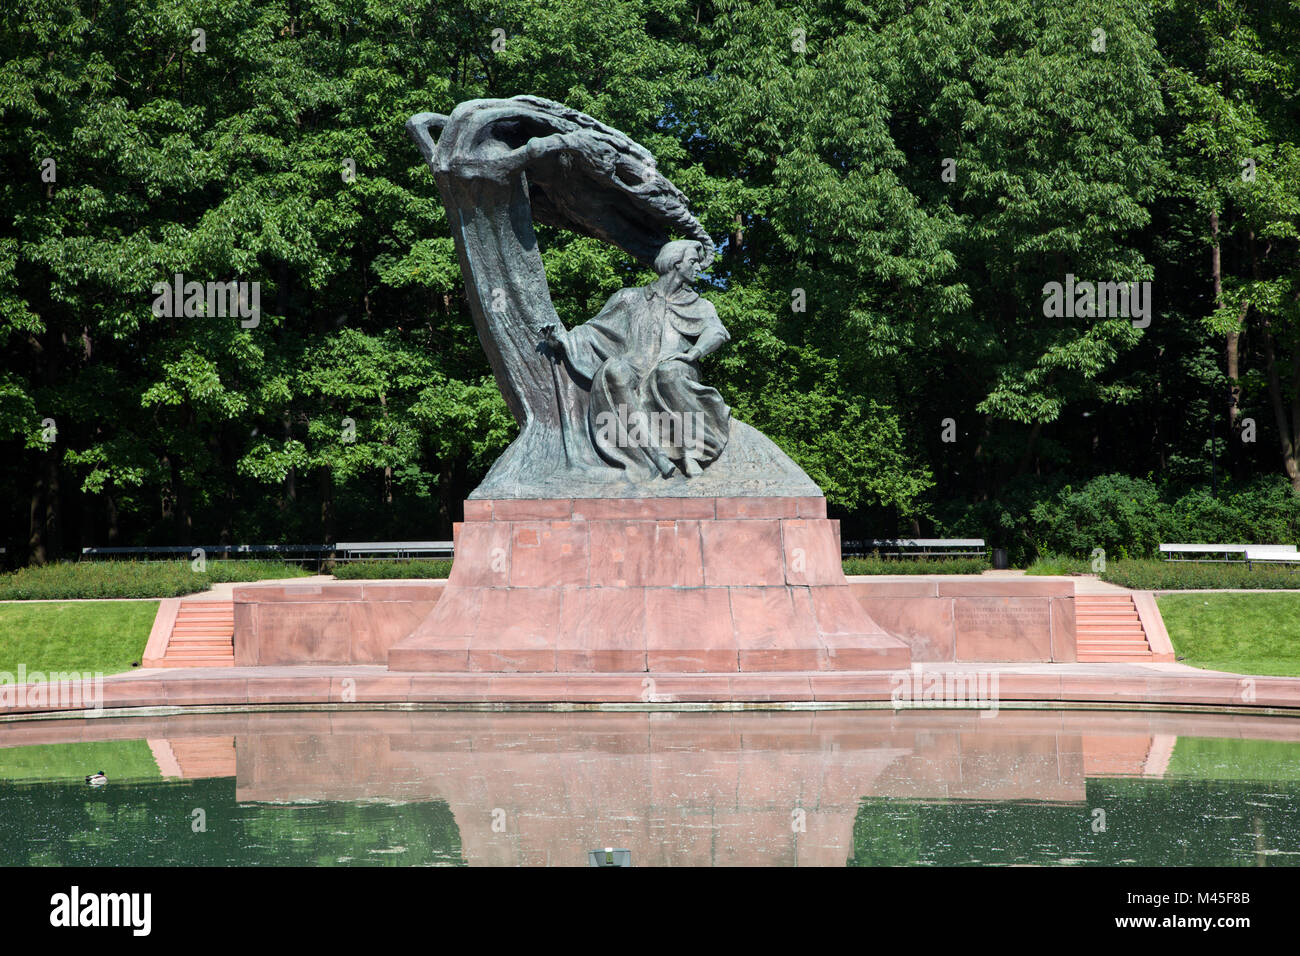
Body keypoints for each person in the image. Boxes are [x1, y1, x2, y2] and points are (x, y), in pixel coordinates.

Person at [544, 240, 731, 478]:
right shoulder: (629, 298)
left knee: (667, 374)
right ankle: (655, 456)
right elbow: (593, 330)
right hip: (637, 364)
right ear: (676, 263)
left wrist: (692, 354)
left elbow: (716, 332)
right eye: (693, 262)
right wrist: (563, 340)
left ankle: (691, 453)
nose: (699, 268)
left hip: (676, 366)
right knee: (614, 370)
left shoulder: (699, 304)